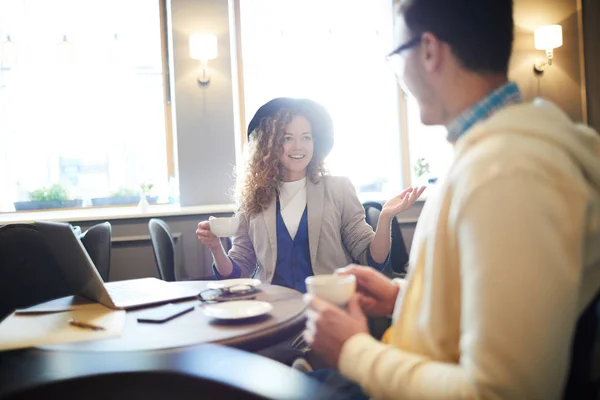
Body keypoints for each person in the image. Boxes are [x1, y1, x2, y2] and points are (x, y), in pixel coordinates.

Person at [303, 0, 600, 399]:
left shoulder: (507, 171)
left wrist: (353, 351)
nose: (398, 76)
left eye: (395, 56)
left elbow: (504, 391)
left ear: (429, 51)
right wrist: (404, 297)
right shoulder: (494, 153)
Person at [196, 97, 424, 292]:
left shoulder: (339, 188)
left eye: (306, 137)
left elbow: (372, 260)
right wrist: (216, 247)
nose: (299, 146)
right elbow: (237, 273)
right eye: (287, 138)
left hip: (328, 308)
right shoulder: (254, 198)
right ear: (269, 144)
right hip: (275, 313)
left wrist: (385, 218)